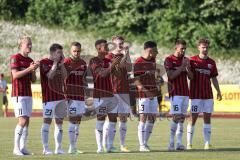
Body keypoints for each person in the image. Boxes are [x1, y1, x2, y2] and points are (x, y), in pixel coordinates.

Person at [187, 38, 222, 150]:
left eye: (207, 47)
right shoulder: (192, 60)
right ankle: (189, 143)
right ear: (198, 48)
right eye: (203, 47)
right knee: (193, 118)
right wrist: (188, 70)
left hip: (208, 95)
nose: (205, 49)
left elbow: (214, 79)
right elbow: (189, 77)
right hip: (196, 95)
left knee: (207, 118)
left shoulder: (211, 62)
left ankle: (207, 143)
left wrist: (218, 91)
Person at [88, 39, 119, 153]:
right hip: (100, 96)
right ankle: (100, 147)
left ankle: (109, 146)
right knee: (100, 120)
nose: (107, 48)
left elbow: (116, 75)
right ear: (98, 48)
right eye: (105, 46)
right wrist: (113, 65)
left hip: (111, 95)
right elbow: (102, 73)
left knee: (113, 120)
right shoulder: (94, 60)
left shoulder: (108, 60)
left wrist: (118, 65)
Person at [10, 37, 39, 155]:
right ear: (21, 45)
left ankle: (22, 147)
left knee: (27, 121)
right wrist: (29, 68)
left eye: (31, 44)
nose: (30, 46)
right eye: (28, 44)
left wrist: (33, 70)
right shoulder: (15, 58)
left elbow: (34, 80)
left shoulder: (30, 60)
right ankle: (16, 148)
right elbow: (15, 75)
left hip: (28, 94)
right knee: (22, 120)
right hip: (19, 94)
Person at [103, 35, 132, 152]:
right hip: (112, 91)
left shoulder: (124, 55)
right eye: (118, 43)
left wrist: (127, 54)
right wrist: (125, 56)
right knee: (111, 119)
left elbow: (129, 69)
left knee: (124, 118)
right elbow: (119, 66)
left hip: (124, 91)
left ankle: (122, 145)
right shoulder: (109, 56)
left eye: (122, 43)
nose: (120, 45)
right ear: (113, 44)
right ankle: (106, 144)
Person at [164, 39, 193, 151]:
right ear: (175, 48)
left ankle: (179, 143)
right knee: (176, 117)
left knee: (182, 118)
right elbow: (170, 76)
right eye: (182, 49)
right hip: (175, 94)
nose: (183, 51)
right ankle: (171, 143)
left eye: (185, 49)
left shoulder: (186, 60)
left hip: (185, 93)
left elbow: (191, 77)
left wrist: (187, 68)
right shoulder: (169, 60)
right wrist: (181, 67)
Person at [40, 43, 67, 155]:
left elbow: (65, 76)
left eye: (61, 52)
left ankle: (58, 148)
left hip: (60, 97)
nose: (60, 55)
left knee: (59, 123)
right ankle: (46, 149)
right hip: (49, 98)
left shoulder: (61, 64)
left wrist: (62, 64)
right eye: (58, 53)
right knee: (47, 122)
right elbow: (50, 76)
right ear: (52, 53)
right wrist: (55, 63)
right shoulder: (44, 62)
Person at [134, 41, 159, 152]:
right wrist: (146, 91)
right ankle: (141, 145)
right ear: (150, 51)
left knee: (153, 118)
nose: (157, 52)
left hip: (153, 94)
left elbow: (153, 75)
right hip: (143, 95)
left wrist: (157, 82)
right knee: (143, 118)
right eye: (155, 50)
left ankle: (145, 143)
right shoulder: (139, 62)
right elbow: (136, 81)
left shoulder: (153, 60)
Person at [64, 42, 87, 154]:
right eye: (74, 51)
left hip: (80, 96)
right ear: (70, 51)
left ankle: (74, 147)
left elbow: (84, 79)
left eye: (78, 51)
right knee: (72, 121)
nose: (76, 53)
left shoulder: (83, 63)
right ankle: (71, 147)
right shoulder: (66, 62)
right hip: (70, 96)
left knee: (78, 121)